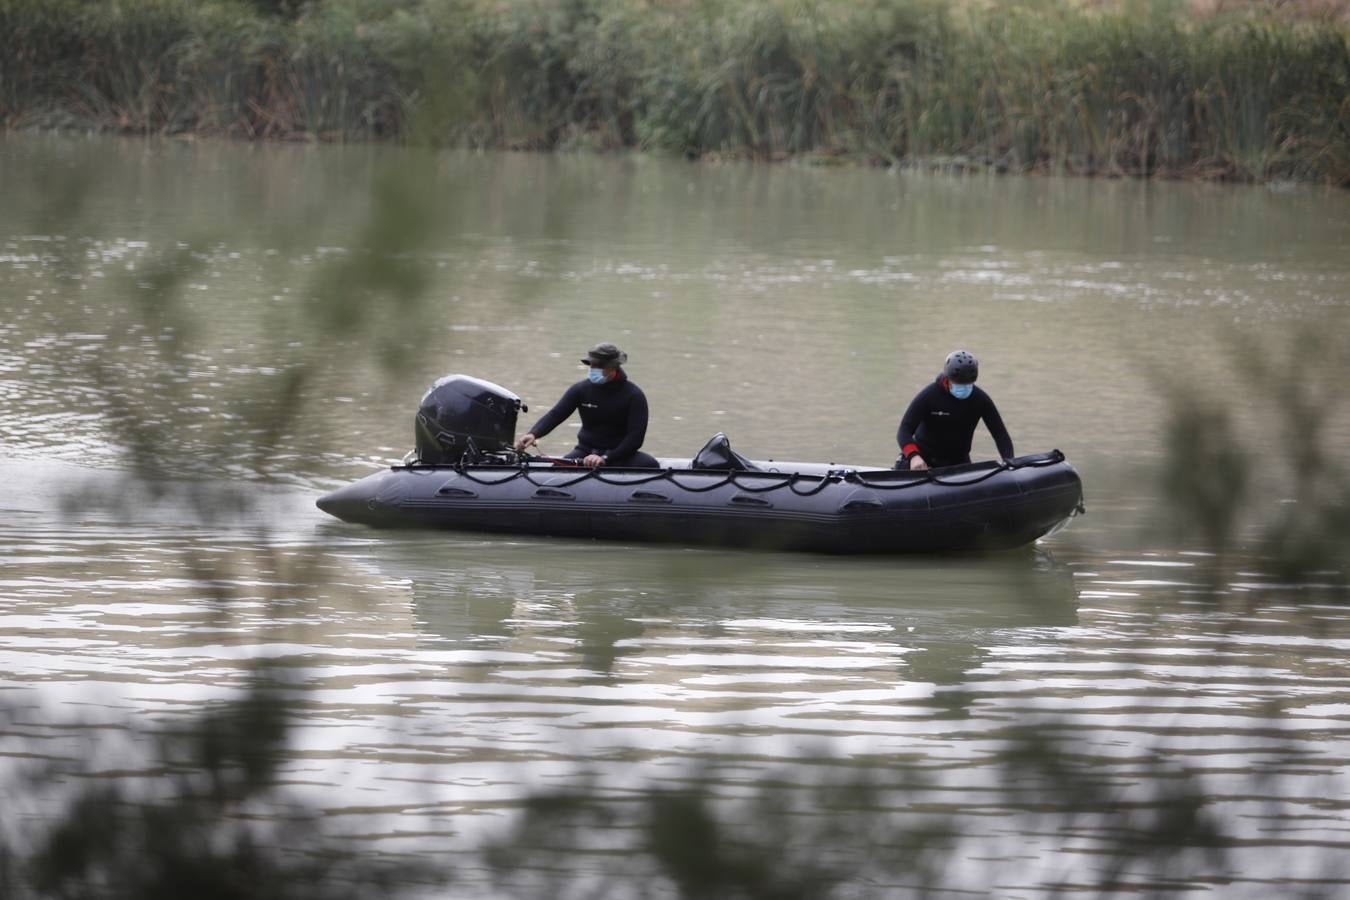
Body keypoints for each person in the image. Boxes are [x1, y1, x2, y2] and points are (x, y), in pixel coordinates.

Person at [514, 342, 660, 469]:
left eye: (599, 366)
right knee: (556, 472)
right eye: (591, 365)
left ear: (613, 367)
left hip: (619, 454)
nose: (593, 369)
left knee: (651, 465)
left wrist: (606, 458)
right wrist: (533, 434)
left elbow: (635, 438)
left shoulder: (634, 395)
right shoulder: (580, 390)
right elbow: (556, 414)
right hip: (585, 451)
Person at [896, 350, 1014, 471]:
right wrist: (913, 456)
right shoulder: (929, 395)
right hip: (923, 461)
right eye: (959, 384)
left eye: (968, 384)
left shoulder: (981, 399)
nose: (963, 388)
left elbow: (1000, 434)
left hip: (958, 463)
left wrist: (1009, 461)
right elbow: (904, 429)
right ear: (948, 379)